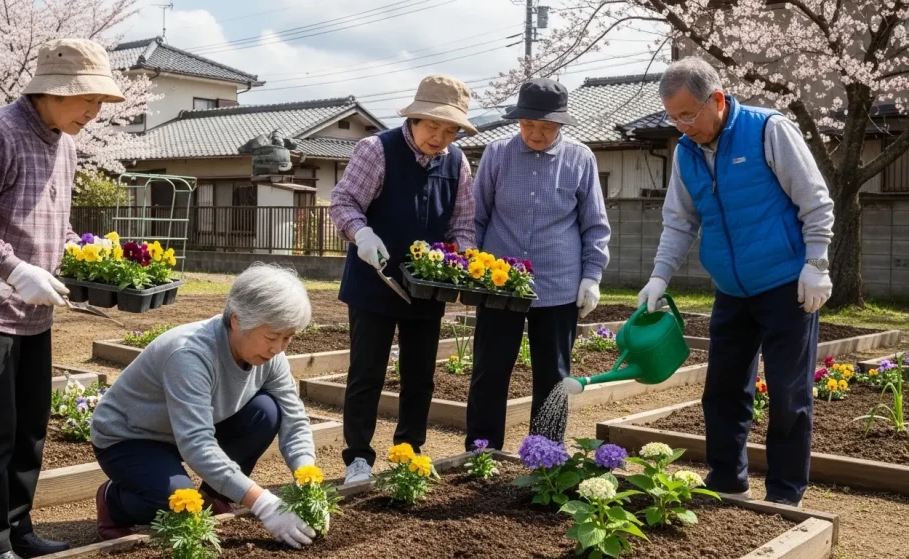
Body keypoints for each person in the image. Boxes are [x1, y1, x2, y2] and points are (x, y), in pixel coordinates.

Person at [0, 38, 125, 559]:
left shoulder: (67, 142)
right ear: (54, 92)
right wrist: (13, 267)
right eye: (88, 100)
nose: (94, 113)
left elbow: (51, 217)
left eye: (101, 102)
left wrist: (85, 255)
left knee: (31, 423)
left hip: (32, 303)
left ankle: (17, 528)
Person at [638, 57, 835, 507]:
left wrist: (817, 263)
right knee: (723, 390)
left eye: (689, 114)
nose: (682, 126)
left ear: (719, 100)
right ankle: (728, 479)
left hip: (787, 285)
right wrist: (658, 276)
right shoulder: (685, 152)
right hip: (730, 290)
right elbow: (678, 222)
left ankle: (786, 495)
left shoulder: (768, 131)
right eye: (673, 118)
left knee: (788, 393)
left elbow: (816, 202)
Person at [91, 263, 322, 549]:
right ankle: (113, 501)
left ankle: (216, 495)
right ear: (237, 321)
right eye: (272, 337)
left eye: (288, 337)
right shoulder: (190, 355)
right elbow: (197, 443)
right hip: (132, 436)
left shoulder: (271, 356)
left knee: (266, 411)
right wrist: (263, 504)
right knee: (178, 499)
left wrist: (307, 477)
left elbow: (293, 417)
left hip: (187, 429)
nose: (279, 348)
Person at [329, 74, 477, 484]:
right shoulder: (376, 150)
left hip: (427, 289)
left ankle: (409, 451)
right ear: (414, 118)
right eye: (434, 126)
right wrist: (361, 233)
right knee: (367, 373)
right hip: (373, 280)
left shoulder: (457, 162)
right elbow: (343, 201)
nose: (441, 137)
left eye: (450, 130)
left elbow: (463, 224)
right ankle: (358, 458)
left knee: (420, 377)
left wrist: (458, 260)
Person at [465, 78, 611, 451]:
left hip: (559, 284)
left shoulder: (581, 159)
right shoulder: (497, 154)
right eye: (528, 125)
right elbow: (476, 217)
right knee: (490, 370)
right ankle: (482, 451)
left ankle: (544, 456)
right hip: (501, 284)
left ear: (561, 125)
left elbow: (594, 223)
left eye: (546, 127)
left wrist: (591, 276)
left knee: (553, 375)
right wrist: (469, 266)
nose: (535, 134)